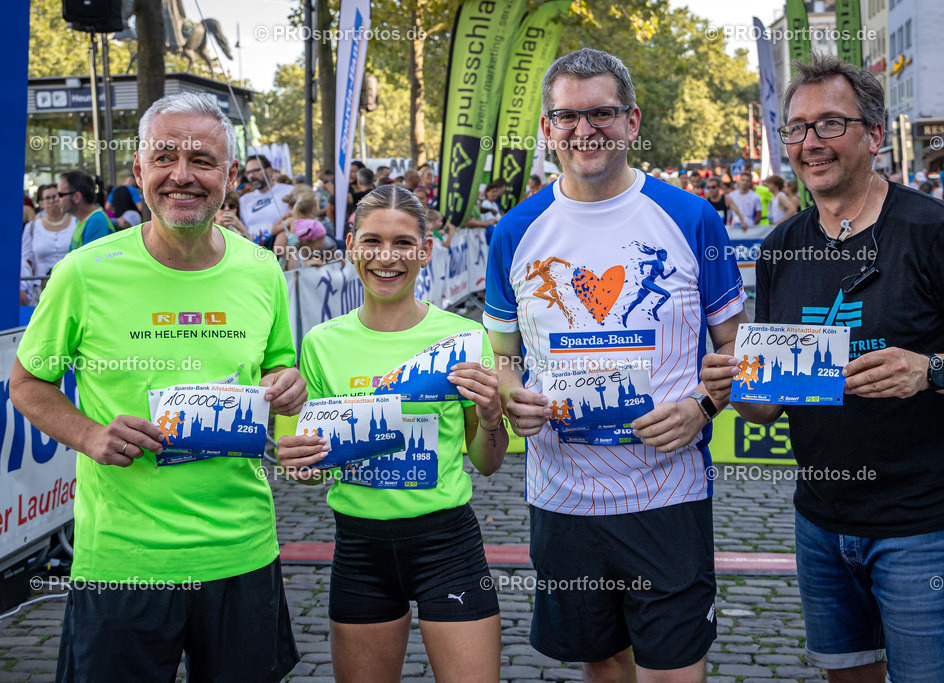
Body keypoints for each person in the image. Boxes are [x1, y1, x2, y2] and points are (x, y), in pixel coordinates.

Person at [701, 52, 944, 683]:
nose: (810, 143)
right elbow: (768, 405)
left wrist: (930, 370)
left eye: (830, 123)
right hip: (819, 519)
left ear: (874, 135)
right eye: (797, 128)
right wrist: (735, 385)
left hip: (922, 525)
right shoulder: (782, 247)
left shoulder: (936, 231)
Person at [10, 91, 306, 682]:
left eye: (202, 160)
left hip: (242, 551)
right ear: (139, 169)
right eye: (165, 157)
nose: (182, 175)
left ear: (229, 176)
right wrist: (90, 435)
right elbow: (27, 382)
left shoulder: (261, 270)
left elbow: (277, 370)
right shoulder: (84, 273)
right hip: (124, 560)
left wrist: (286, 386)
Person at [484, 47, 746, 681]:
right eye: (567, 117)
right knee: (602, 663)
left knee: (674, 668)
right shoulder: (515, 231)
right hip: (563, 497)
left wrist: (703, 407)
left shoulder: (691, 217)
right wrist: (514, 399)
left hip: (668, 492)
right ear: (546, 128)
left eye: (601, 113)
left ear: (632, 121)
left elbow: (738, 354)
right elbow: (505, 357)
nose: (585, 130)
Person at [277, 184, 507, 682]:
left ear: (426, 251)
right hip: (359, 549)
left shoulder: (464, 337)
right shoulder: (321, 344)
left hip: (447, 544)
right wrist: (298, 463)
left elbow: (489, 462)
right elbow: (311, 470)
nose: (387, 257)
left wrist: (491, 417)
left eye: (403, 243)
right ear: (351, 246)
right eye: (373, 241)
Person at [21, 184, 76, 305]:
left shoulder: (76, 222)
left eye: (55, 196)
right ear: (41, 203)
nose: (52, 201)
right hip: (41, 291)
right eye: (47, 198)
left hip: (72, 286)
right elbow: (26, 260)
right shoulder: (32, 227)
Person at [239, 154, 294, 245]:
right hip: (253, 250)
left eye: (256, 171)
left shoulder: (289, 191)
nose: (251, 175)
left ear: (269, 171)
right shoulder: (243, 200)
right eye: (248, 173)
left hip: (282, 249)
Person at [58, 170, 114, 250]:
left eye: (60, 195)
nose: (57, 199)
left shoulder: (96, 221)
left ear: (76, 197)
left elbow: (89, 257)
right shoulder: (81, 219)